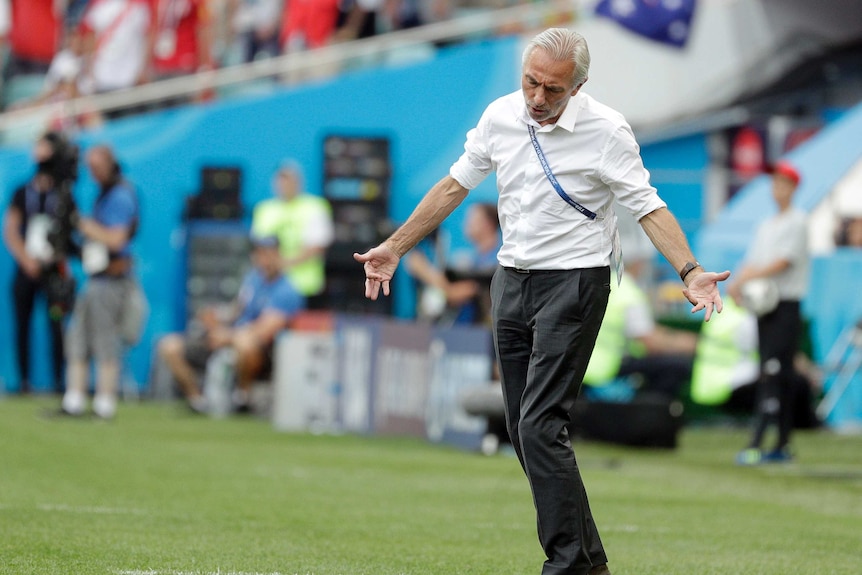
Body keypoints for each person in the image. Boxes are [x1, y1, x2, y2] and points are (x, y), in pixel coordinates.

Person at [354, 28, 729, 575]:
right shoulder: (500, 115)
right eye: (530, 82)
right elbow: (454, 186)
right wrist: (394, 247)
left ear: (579, 86)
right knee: (522, 429)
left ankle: (566, 563)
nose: (537, 98)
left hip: (575, 281)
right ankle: (590, 563)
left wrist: (690, 271)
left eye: (552, 90)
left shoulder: (608, 131)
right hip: (510, 279)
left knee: (539, 425)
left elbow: (649, 206)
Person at [157, 234, 304, 414]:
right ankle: (197, 400)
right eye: (260, 253)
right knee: (169, 345)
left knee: (245, 343)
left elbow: (265, 330)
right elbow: (236, 310)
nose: (264, 258)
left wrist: (227, 336)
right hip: (230, 336)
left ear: (278, 255)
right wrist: (215, 318)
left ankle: (242, 397)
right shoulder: (253, 280)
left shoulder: (287, 290)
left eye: (269, 253)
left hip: (261, 350)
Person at [728, 160, 810, 465]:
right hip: (764, 306)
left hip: (785, 304)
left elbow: (783, 262)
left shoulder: (797, 221)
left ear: (793, 188)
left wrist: (748, 279)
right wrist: (738, 283)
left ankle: (761, 443)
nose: (777, 189)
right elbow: (753, 261)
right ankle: (781, 444)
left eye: (783, 183)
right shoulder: (766, 224)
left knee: (776, 374)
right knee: (772, 372)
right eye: (774, 183)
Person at [60, 144, 141, 419]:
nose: (91, 173)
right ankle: (74, 400)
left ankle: (105, 402)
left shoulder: (120, 195)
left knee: (106, 340)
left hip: (113, 280)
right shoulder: (103, 193)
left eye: (96, 166)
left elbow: (116, 239)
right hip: (96, 278)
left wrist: (80, 223)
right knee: (78, 338)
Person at [2, 132, 77, 394]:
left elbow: (71, 230)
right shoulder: (22, 192)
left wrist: (55, 257)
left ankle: (59, 381)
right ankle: (24, 381)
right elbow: (10, 229)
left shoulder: (63, 193)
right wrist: (26, 259)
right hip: (26, 268)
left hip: (53, 269)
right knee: (22, 324)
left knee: (56, 323)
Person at [582, 253, 698, 400]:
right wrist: (691, 343)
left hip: (582, 366)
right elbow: (650, 342)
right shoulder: (628, 292)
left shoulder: (601, 282)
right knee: (676, 366)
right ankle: (647, 414)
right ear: (637, 263)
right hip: (605, 370)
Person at [250, 160, 334, 308]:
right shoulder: (264, 209)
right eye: (280, 179)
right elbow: (257, 246)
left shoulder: (314, 207)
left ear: (298, 181)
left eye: (288, 179)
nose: (284, 184)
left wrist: (282, 264)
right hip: (270, 286)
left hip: (305, 288)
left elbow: (317, 247)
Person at [405, 201, 501, 326]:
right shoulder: (474, 259)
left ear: (487, 224)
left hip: (480, 336)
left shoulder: (496, 260)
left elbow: (455, 294)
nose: (466, 223)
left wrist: (423, 270)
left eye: (472, 219)